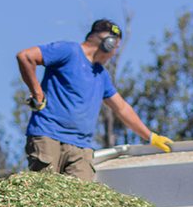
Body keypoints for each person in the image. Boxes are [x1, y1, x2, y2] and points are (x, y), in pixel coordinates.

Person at [16, 19, 174, 181]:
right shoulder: (68, 51)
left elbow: (121, 108)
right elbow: (26, 57)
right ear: (108, 44)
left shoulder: (100, 74)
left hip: (81, 148)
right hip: (48, 137)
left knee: (79, 201)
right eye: (115, 48)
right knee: (46, 194)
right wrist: (38, 94)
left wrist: (150, 136)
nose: (114, 54)